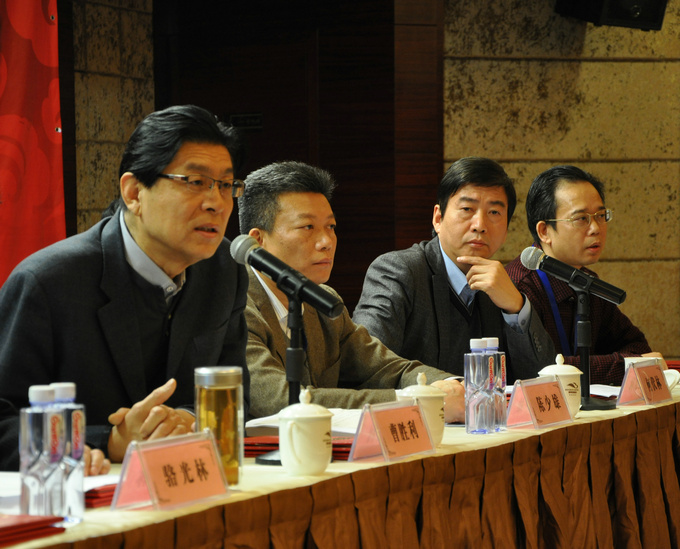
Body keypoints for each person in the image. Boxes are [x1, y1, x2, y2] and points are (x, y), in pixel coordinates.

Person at [0, 105, 250, 471]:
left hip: (185, 480)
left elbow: (236, 396)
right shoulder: (49, 282)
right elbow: (3, 420)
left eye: (226, 185)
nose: (216, 202)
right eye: (195, 182)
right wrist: (109, 440)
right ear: (134, 193)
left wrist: (188, 420)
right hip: (85, 491)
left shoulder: (224, 270)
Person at [237, 160, 464, 421]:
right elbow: (280, 400)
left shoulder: (323, 301)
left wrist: (456, 387)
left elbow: (387, 369)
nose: (326, 242)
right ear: (258, 240)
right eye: (307, 227)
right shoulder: (234, 307)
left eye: (331, 227)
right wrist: (415, 402)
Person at [353, 157, 554, 381]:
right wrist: (446, 386)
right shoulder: (397, 272)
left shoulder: (501, 285)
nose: (480, 225)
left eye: (494, 213)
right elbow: (365, 364)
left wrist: (515, 307)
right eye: (467, 209)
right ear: (438, 218)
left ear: (507, 229)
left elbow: (541, 379)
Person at [505, 165, 660, 385]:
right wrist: (622, 366)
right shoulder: (519, 286)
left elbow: (637, 347)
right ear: (544, 231)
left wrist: (578, 367)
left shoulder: (586, 282)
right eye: (581, 219)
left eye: (600, 215)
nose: (596, 228)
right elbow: (540, 371)